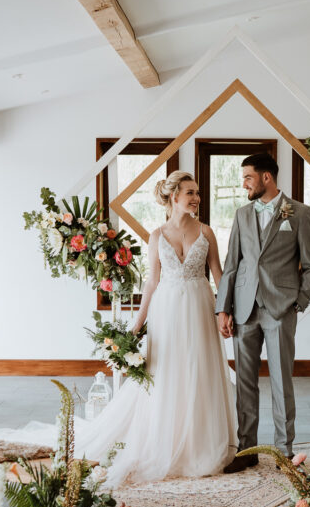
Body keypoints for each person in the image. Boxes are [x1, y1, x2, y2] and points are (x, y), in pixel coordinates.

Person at [74, 170, 238, 486]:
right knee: (167, 373)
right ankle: (166, 439)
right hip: (167, 311)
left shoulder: (206, 232)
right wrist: (136, 327)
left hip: (200, 305)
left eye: (198, 193)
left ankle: (198, 444)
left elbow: (218, 274)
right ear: (174, 196)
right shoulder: (156, 235)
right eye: (190, 192)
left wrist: (224, 311)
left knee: (198, 370)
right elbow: (151, 282)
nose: (196, 198)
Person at [216, 153, 310, 472]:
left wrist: (298, 302)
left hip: (280, 308)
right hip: (245, 309)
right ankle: (247, 449)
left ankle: (284, 452)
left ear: (266, 178)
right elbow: (232, 265)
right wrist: (223, 308)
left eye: (248, 177)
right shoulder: (242, 215)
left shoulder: (299, 213)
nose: (243, 183)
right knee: (245, 382)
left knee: (281, 382)